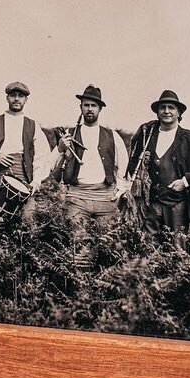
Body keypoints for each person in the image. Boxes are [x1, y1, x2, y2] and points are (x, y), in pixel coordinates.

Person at [126, 90, 190, 243]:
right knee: (147, 247)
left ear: (179, 112)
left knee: (177, 250)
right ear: (157, 112)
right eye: (162, 107)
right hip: (150, 206)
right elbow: (133, 163)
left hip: (178, 206)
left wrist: (185, 182)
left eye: (171, 107)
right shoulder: (147, 136)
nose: (166, 111)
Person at [52, 84, 130, 269]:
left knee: (108, 247)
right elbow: (52, 166)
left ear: (100, 109)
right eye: (86, 105)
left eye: (93, 105)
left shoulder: (112, 136)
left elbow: (123, 166)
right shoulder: (69, 135)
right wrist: (61, 148)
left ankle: (104, 282)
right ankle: (81, 282)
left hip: (105, 197)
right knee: (79, 246)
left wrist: (119, 191)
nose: (89, 109)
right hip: (77, 197)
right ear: (80, 107)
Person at [0, 81, 52, 220]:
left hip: (26, 182)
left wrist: (36, 181)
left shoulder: (33, 125)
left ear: (26, 100)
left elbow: (42, 156)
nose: (16, 99)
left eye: (20, 96)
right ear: (7, 98)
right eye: (13, 95)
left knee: (26, 223)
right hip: (0, 182)